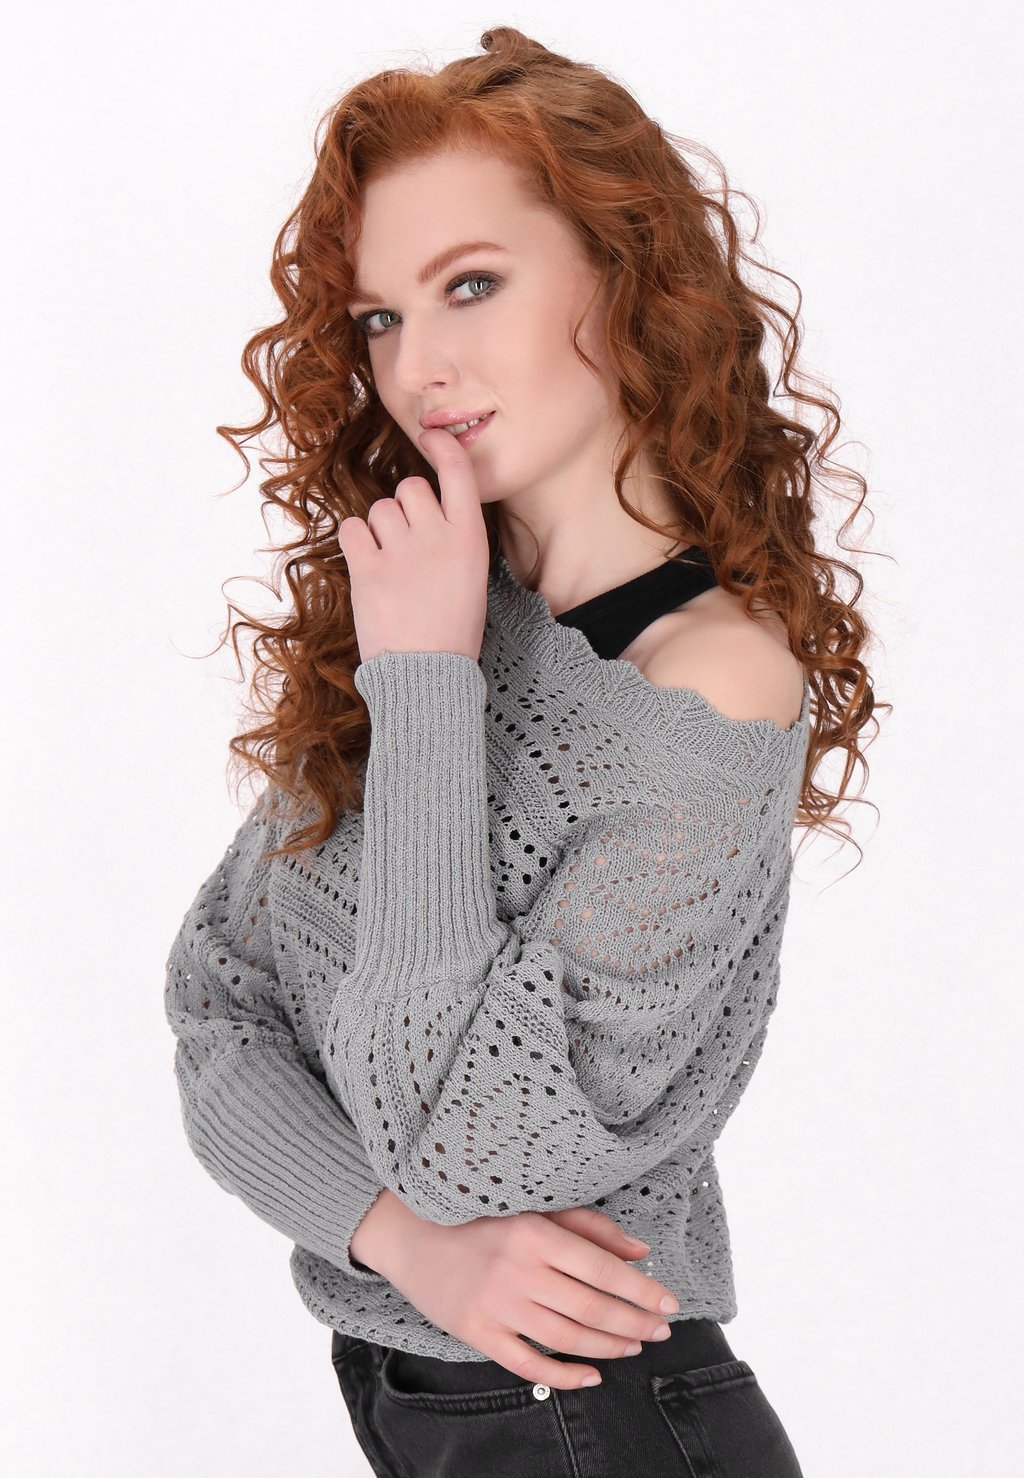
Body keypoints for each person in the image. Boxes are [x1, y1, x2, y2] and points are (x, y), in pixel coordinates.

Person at [164, 26, 883, 1477]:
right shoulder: (438, 611)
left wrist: (425, 687)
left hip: (596, 1419)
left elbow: (465, 1147)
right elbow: (215, 1011)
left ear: (622, 273)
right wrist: (398, 1244)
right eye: (380, 317)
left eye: (472, 285)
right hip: (437, 1406)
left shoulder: (710, 689)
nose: (419, 366)